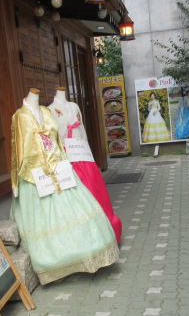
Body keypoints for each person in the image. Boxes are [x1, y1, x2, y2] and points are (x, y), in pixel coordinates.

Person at [11, 89, 119, 285]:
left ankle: (85, 252)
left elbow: (57, 141)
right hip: (34, 174)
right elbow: (17, 148)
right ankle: (55, 262)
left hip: (59, 164)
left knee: (75, 209)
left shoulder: (45, 111)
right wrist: (14, 181)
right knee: (47, 218)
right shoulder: (20, 116)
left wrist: (65, 161)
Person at [49, 87, 122, 242]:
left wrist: (87, 153)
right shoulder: (49, 110)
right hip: (65, 156)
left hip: (81, 153)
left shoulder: (74, 106)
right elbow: (52, 138)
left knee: (94, 190)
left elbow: (82, 132)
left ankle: (105, 230)